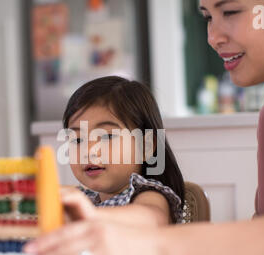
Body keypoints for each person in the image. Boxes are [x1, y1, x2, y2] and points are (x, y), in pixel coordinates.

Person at [22, 0, 264, 255]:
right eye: (207, 17)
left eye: (230, 11)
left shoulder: (149, 195)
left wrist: (150, 249)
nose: (213, 38)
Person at [56, 76, 191, 228]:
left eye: (107, 136)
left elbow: (152, 218)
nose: (89, 151)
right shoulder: (86, 198)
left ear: (145, 147)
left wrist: (88, 215)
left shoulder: (147, 194)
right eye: (78, 140)